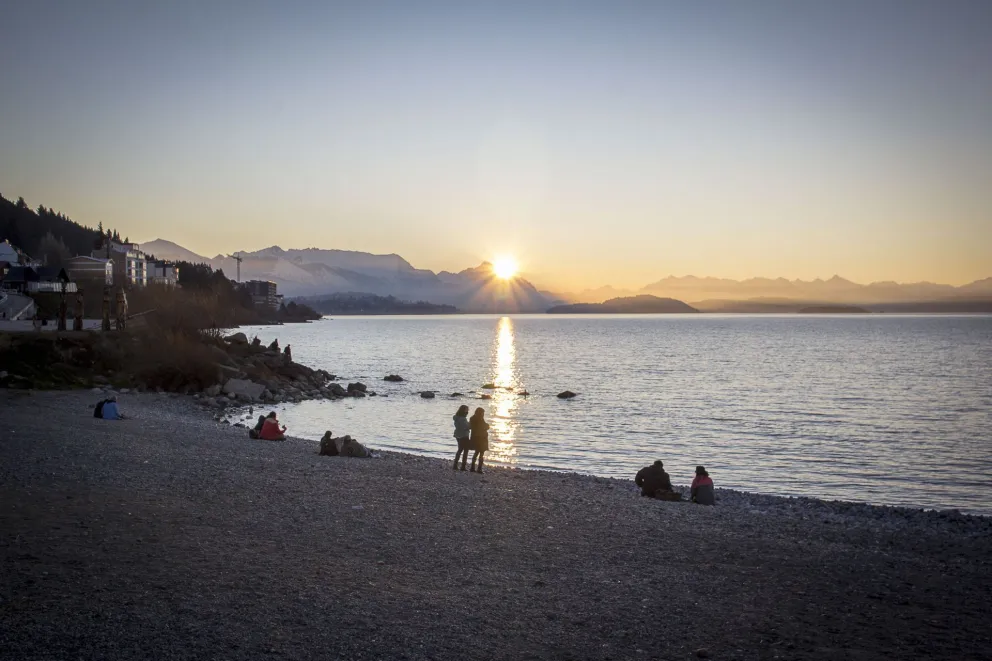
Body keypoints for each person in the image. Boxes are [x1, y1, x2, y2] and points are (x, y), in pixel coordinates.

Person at [469, 407, 489, 473]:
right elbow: (484, 426)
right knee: (481, 453)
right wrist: (487, 426)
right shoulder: (479, 419)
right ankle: (479, 469)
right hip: (481, 438)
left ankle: (472, 467)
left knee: (476, 453)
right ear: (480, 413)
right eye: (483, 413)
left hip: (475, 438)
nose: (483, 414)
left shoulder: (472, 418)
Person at [452, 405, 471, 470]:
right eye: (466, 410)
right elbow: (466, 427)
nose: (467, 411)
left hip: (458, 434)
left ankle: (455, 464)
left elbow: (461, 426)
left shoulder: (456, 417)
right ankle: (462, 466)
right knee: (465, 450)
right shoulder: (463, 418)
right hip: (464, 435)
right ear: (463, 411)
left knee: (460, 450)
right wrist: (470, 425)